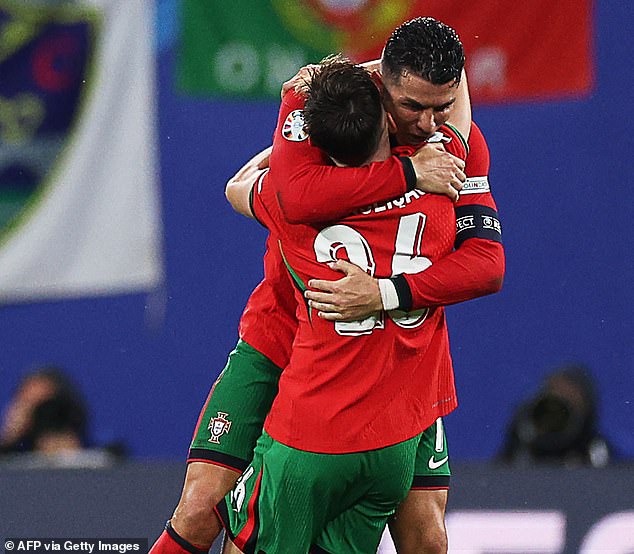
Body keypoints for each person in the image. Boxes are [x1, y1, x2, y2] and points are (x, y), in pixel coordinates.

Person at [150, 17, 503, 554]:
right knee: (201, 511)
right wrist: (408, 177)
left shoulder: (449, 147)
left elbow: (244, 189)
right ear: (383, 86)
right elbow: (292, 195)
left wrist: (384, 290)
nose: (430, 123)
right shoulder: (323, 125)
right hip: (280, 339)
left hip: (397, 370)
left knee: (425, 535)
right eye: (413, 108)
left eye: (442, 105)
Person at [217, 55, 464, 554]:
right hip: (389, 442)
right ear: (388, 121)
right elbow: (485, 267)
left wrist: (295, 99)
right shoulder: (441, 188)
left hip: (309, 434)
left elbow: (238, 186)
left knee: (230, 535)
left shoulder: (293, 214)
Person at [499, 364, 611, 468]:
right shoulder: (523, 438)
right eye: (555, 391)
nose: (559, 402)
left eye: (570, 396)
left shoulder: (594, 449)